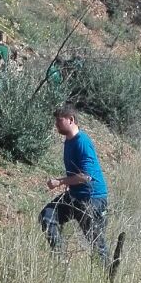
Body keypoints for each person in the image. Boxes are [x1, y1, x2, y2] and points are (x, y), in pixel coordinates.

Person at [40, 106, 110, 267]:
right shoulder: (69, 142)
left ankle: (108, 276)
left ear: (71, 120)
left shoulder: (82, 142)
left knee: (96, 243)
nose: (56, 124)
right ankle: (60, 260)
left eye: (59, 120)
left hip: (92, 199)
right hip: (75, 196)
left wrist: (60, 181)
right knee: (48, 216)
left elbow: (86, 177)